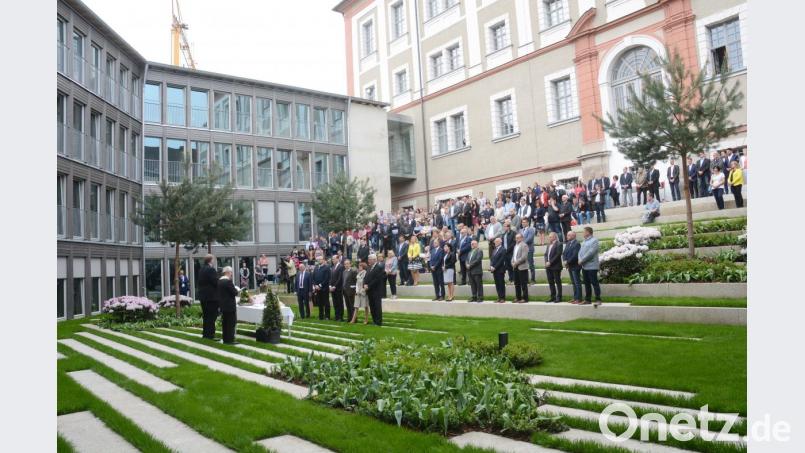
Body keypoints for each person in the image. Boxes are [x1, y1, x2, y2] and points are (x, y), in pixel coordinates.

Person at [197, 254, 219, 340]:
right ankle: (210, 335)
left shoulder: (201, 269)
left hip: (203, 297)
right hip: (211, 297)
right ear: (211, 260)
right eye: (213, 259)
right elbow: (215, 282)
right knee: (212, 316)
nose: (214, 261)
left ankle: (205, 334)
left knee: (206, 316)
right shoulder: (211, 269)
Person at [578, 227, 601, 306]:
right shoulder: (584, 241)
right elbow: (580, 252)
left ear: (588, 232)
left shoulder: (594, 240)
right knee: (586, 283)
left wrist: (582, 260)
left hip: (592, 266)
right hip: (585, 266)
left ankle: (598, 299)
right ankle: (588, 299)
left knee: (594, 282)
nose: (583, 233)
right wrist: (579, 259)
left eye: (584, 232)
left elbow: (591, 253)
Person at [216, 266, 239, 344]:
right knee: (231, 323)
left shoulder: (219, 281)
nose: (231, 274)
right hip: (229, 305)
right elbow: (235, 292)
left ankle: (225, 338)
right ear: (228, 272)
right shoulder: (228, 281)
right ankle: (230, 340)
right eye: (231, 272)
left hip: (223, 305)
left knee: (225, 323)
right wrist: (237, 289)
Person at [363, 254, 385, 326]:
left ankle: (378, 321)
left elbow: (377, 279)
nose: (368, 260)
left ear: (374, 259)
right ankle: (374, 320)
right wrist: (365, 284)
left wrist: (368, 285)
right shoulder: (369, 267)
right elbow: (366, 277)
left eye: (369, 259)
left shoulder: (379, 267)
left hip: (376, 291)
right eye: (368, 259)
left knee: (377, 306)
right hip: (369, 290)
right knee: (372, 306)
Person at [563, 231, 582, 304]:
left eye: (568, 235)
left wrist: (567, 262)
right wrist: (564, 260)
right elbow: (564, 253)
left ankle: (579, 298)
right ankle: (575, 298)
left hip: (575, 266)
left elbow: (575, 255)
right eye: (567, 235)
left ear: (573, 236)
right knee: (573, 283)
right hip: (570, 266)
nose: (567, 236)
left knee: (577, 283)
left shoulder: (577, 244)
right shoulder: (568, 243)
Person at [544, 232, 564, 303]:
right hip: (548, 267)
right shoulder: (549, 245)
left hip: (556, 266)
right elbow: (546, 254)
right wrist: (546, 262)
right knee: (551, 282)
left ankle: (559, 297)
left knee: (557, 282)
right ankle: (553, 296)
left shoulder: (559, 244)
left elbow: (558, 254)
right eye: (549, 237)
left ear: (555, 237)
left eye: (550, 237)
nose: (549, 238)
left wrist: (550, 262)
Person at [511, 233, 530, 303]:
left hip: (522, 267)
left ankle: (525, 298)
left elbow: (524, 257)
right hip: (515, 267)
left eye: (518, 238)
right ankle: (518, 297)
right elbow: (513, 256)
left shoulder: (524, 245)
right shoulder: (515, 246)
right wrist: (512, 262)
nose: (517, 239)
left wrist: (515, 263)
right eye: (516, 238)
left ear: (522, 238)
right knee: (517, 283)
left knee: (523, 284)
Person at [312, 255, 331, 320]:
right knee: (319, 303)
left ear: (323, 260)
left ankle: (327, 316)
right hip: (317, 289)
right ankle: (321, 316)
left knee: (326, 303)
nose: (319, 260)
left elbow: (326, 278)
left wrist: (320, 285)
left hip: (324, 289)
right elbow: (313, 277)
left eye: (320, 259)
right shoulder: (316, 268)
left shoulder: (326, 268)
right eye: (318, 259)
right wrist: (315, 285)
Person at [489, 237, 507, 303]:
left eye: (496, 241)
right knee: (497, 284)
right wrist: (491, 266)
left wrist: (495, 267)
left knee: (501, 284)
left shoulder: (503, 249)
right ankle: (499, 297)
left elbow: (501, 260)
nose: (495, 243)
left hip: (500, 270)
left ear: (500, 242)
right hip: (494, 270)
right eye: (495, 242)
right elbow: (492, 259)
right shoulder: (494, 250)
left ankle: (503, 298)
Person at [329, 254, 345, 321]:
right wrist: (330, 285)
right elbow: (331, 278)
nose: (333, 260)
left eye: (334, 259)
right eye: (332, 259)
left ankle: (340, 317)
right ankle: (337, 315)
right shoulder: (332, 267)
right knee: (335, 303)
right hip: (332, 288)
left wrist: (334, 286)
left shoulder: (341, 267)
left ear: (338, 259)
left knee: (339, 303)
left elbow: (340, 278)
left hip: (338, 288)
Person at [521, 218, 536, 283]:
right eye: (522, 222)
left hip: (529, 249)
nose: (523, 223)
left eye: (524, 222)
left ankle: (533, 279)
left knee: (530, 265)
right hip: (522, 251)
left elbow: (529, 239)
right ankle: (526, 279)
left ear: (528, 223)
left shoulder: (531, 229)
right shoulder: (520, 230)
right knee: (524, 265)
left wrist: (521, 243)